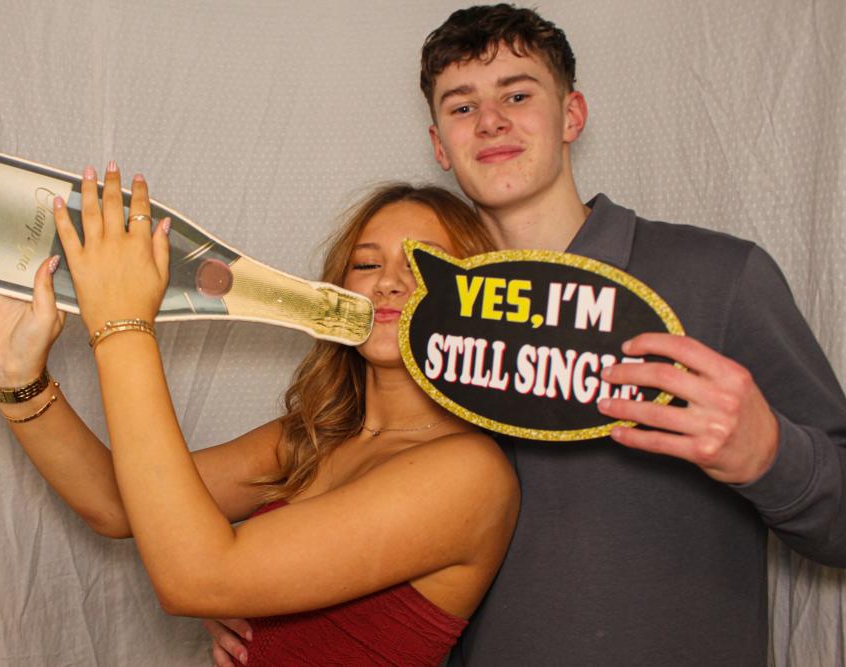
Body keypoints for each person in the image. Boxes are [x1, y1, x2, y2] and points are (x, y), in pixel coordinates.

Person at [210, 4, 846, 666]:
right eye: (463, 106)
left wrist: (772, 456)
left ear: (572, 115)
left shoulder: (719, 277)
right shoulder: (408, 319)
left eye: (517, 95)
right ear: (439, 145)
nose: (490, 120)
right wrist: (253, 592)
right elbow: (354, 522)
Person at [0, 172, 518, 666]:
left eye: (423, 265)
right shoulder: (314, 437)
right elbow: (118, 504)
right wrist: (16, 379)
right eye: (367, 264)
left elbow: (196, 578)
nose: (390, 283)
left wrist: (121, 324)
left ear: (482, 300)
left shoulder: (469, 474)